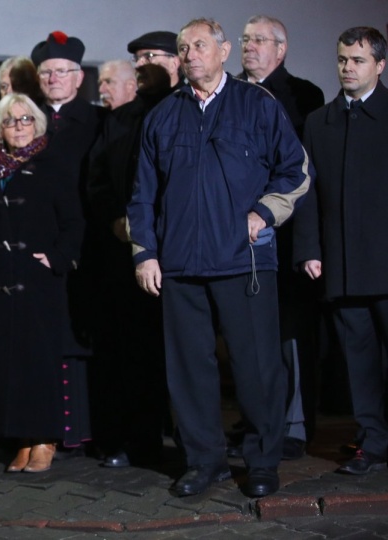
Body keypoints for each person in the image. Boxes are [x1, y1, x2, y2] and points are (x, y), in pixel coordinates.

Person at [127, 19, 312, 498]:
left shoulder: (257, 106)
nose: (190, 54)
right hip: (180, 266)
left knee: (257, 369)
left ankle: (263, 461)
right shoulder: (162, 117)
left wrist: (264, 214)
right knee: (188, 373)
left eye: (200, 45)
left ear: (224, 50)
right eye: (183, 48)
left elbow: (295, 170)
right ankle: (202, 462)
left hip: (243, 262)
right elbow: (142, 195)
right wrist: (145, 253)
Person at [228, 14, 327, 462]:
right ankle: (257, 420)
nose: (249, 47)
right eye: (245, 39)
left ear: (281, 50)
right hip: (237, 234)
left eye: (260, 40)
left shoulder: (303, 96)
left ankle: (293, 424)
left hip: (285, 233)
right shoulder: (226, 92)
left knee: (289, 335)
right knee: (248, 338)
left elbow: (304, 175)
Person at [0, 93, 77, 474]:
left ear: (37, 124)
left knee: (38, 362)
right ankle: (21, 440)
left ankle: (44, 438)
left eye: (26, 119)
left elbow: (74, 221)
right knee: (6, 364)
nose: (18, 126)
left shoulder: (52, 163)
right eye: (10, 121)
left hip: (37, 280)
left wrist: (57, 259)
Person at [294, 27, 388, 476]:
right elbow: (307, 193)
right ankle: (372, 443)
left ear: (380, 65)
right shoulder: (319, 121)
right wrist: (310, 249)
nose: (348, 68)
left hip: (385, 262)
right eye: (343, 60)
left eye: (358, 60)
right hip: (344, 266)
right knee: (359, 362)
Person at [86, 61, 174, 470]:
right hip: (118, 250)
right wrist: (114, 219)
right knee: (125, 350)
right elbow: (97, 178)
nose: (100, 87)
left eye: (107, 81)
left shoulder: (169, 111)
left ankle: (159, 436)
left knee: (158, 352)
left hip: (167, 248)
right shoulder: (114, 123)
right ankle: (129, 439)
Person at [30, 30, 100, 455]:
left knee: (82, 334)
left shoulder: (98, 121)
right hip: (37, 246)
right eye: (47, 72)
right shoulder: (26, 119)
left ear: (79, 77)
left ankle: (86, 430)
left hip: (85, 245)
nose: (55, 78)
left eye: (63, 71)